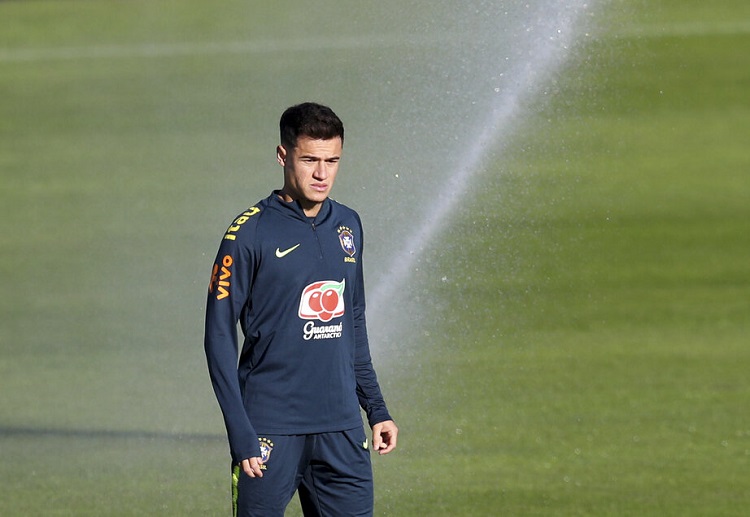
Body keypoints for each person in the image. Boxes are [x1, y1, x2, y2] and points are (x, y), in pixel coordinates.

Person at [204, 102, 398, 516]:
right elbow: (218, 335)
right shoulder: (248, 233)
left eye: (332, 161)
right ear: (283, 156)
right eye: (309, 159)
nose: (322, 174)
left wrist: (376, 408)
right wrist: (240, 432)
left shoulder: (349, 225)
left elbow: (354, 321)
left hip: (342, 429)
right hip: (270, 431)